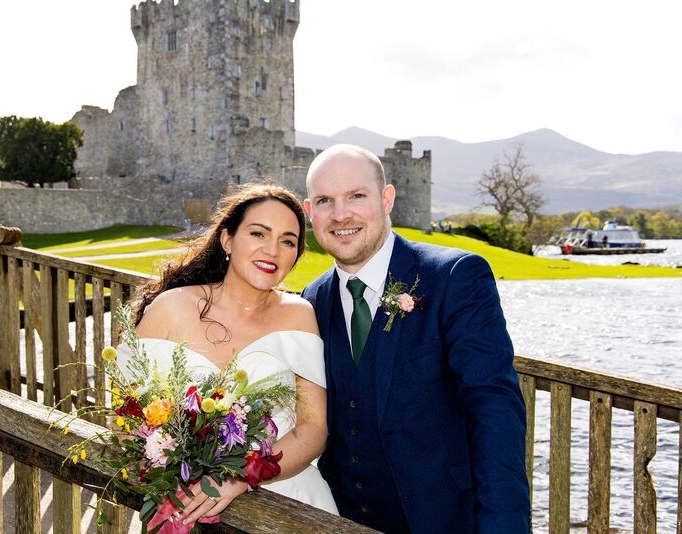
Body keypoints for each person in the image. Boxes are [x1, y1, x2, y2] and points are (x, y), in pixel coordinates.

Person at [301, 144, 530, 533]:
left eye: (357, 195)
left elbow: (493, 410)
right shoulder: (312, 298)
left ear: (386, 199)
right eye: (325, 200)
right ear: (310, 212)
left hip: (443, 519)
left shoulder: (455, 276)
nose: (341, 215)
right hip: (339, 519)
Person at [124, 183, 339, 525]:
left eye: (288, 241)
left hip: (287, 500)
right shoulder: (170, 309)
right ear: (227, 239)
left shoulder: (300, 315)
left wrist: (238, 477)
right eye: (258, 233)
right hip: (181, 504)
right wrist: (166, 466)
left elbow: (313, 430)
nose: (273, 250)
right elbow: (128, 416)